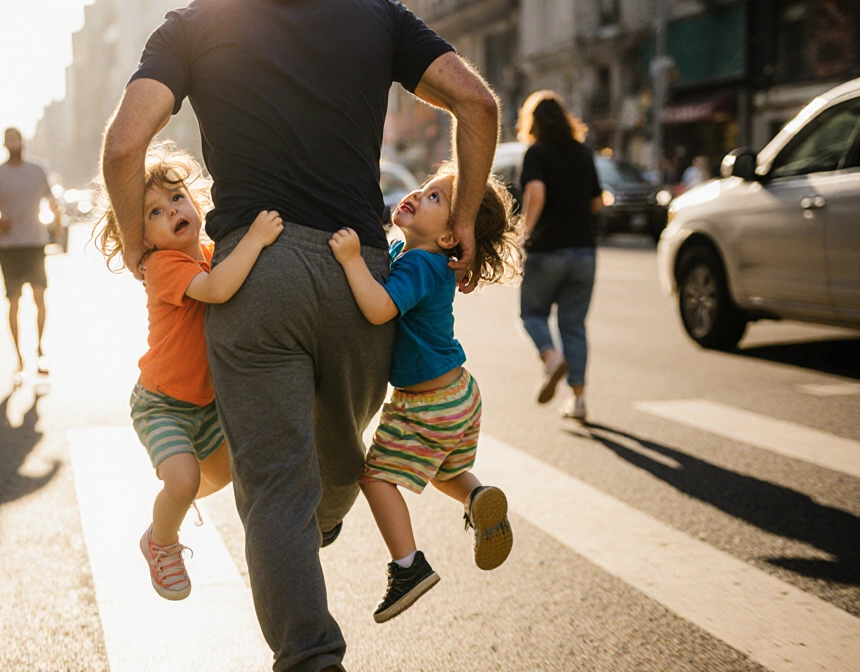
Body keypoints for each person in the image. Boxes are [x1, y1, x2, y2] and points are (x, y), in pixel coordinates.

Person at [101, 2, 500, 669]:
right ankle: (316, 521)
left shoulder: (194, 25)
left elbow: (122, 146)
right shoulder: (379, 17)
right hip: (357, 278)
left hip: (255, 278)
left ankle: (311, 656)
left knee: (277, 488)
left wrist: (140, 246)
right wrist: (462, 217)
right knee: (340, 463)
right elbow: (478, 103)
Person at [329, 168, 518, 623]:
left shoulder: (420, 264)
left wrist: (353, 259)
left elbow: (378, 308)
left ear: (453, 235)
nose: (417, 194)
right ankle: (478, 498)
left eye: (434, 198)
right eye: (427, 188)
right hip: (458, 394)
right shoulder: (422, 257)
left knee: (375, 477)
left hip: (426, 404)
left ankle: (408, 567)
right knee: (444, 471)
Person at [96, 143, 283, 600]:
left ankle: (175, 503)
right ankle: (160, 542)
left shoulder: (210, 249)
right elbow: (218, 289)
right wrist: (257, 238)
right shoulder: (163, 264)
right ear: (143, 238)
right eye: (154, 213)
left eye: (176, 198)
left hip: (207, 405)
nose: (171, 210)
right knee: (184, 481)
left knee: (223, 476)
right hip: (161, 403)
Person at [517, 91, 603, 422]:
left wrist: (523, 231)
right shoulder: (583, 152)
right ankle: (579, 401)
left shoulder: (536, 153)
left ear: (532, 123)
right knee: (574, 325)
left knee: (532, 314)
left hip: (547, 249)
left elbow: (535, 193)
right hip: (584, 250)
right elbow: (597, 203)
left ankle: (551, 360)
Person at [0, 127, 64, 386]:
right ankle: (19, 359)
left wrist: (57, 230)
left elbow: (52, 203)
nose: (14, 144)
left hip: (34, 244)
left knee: (39, 296)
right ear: (5, 144)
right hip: (9, 248)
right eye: (9, 140)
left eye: (18, 140)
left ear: (23, 143)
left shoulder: (37, 170)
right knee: (14, 302)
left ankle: (39, 350)